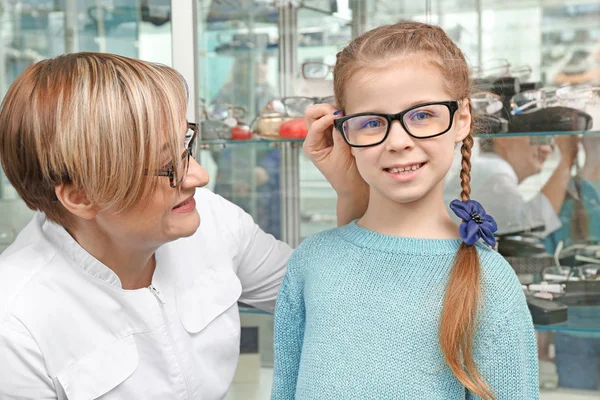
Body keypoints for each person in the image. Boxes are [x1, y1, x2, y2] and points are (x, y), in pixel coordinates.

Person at [0, 52, 368, 399]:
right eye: (168, 166)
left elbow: (332, 302)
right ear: (81, 196)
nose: (200, 176)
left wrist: (351, 191)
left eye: (185, 149)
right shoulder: (15, 324)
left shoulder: (209, 218)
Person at [271, 21, 538, 400]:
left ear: (462, 119)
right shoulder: (311, 262)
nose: (398, 142)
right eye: (371, 122)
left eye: (423, 115)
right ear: (343, 129)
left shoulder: (491, 281)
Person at [444, 134, 579, 238]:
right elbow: (533, 224)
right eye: (536, 137)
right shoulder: (494, 172)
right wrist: (567, 157)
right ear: (502, 138)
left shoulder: (485, 168)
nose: (547, 149)